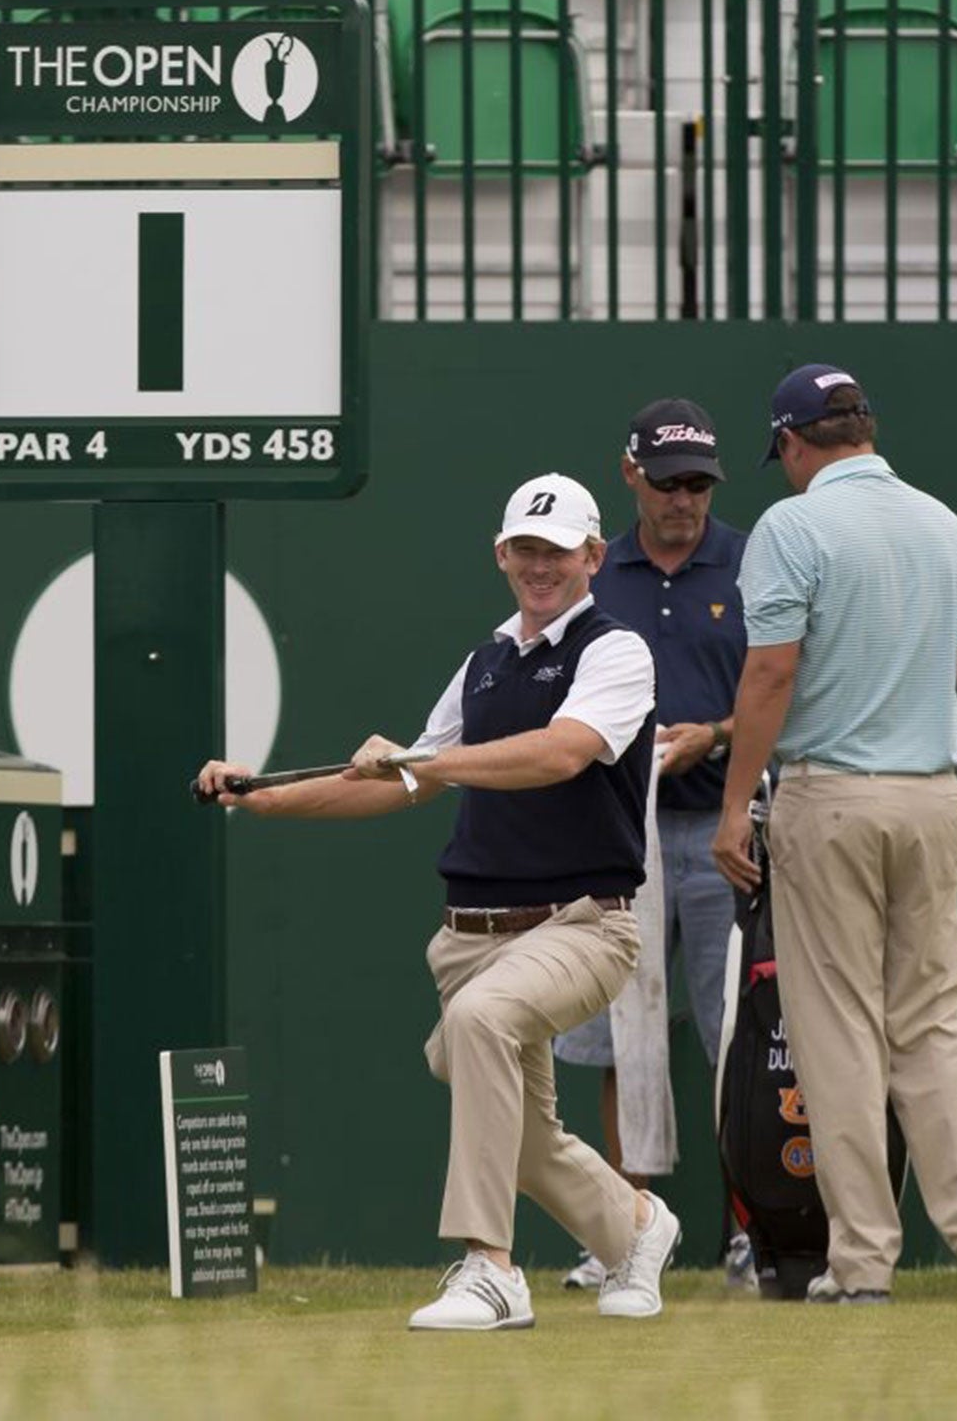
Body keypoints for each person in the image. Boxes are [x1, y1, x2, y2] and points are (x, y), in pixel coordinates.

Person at [197, 472, 681, 1331]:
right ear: (502, 555)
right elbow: (396, 782)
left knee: (481, 1025)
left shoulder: (617, 651)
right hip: (470, 938)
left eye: (557, 552)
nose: (539, 566)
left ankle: (491, 1270)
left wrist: (428, 762)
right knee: (517, 1131)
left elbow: (560, 754)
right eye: (524, 550)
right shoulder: (485, 664)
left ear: (592, 558)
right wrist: (262, 796)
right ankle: (636, 1227)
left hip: (583, 926)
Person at [710, 363, 957, 1303]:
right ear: (864, 428)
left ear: (791, 442)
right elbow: (951, 669)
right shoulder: (947, 526)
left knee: (837, 1032)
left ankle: (863, 1261)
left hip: (831, 797)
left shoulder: (792, 526)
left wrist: (738, 799)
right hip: (933, 795)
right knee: (938, 1022)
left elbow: (771, 676)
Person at [551, 398, 751, 1292]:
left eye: (700, 484)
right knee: (614, 1044)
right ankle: (622, 1234)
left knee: (738, 1041)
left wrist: (715, 732)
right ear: (629, 474)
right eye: (669, 483)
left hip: (719, 831)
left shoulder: (749, 561)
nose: (685, 501)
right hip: (612, 835)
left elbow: (789, 689)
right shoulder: (597, 573)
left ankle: (755, 1231)